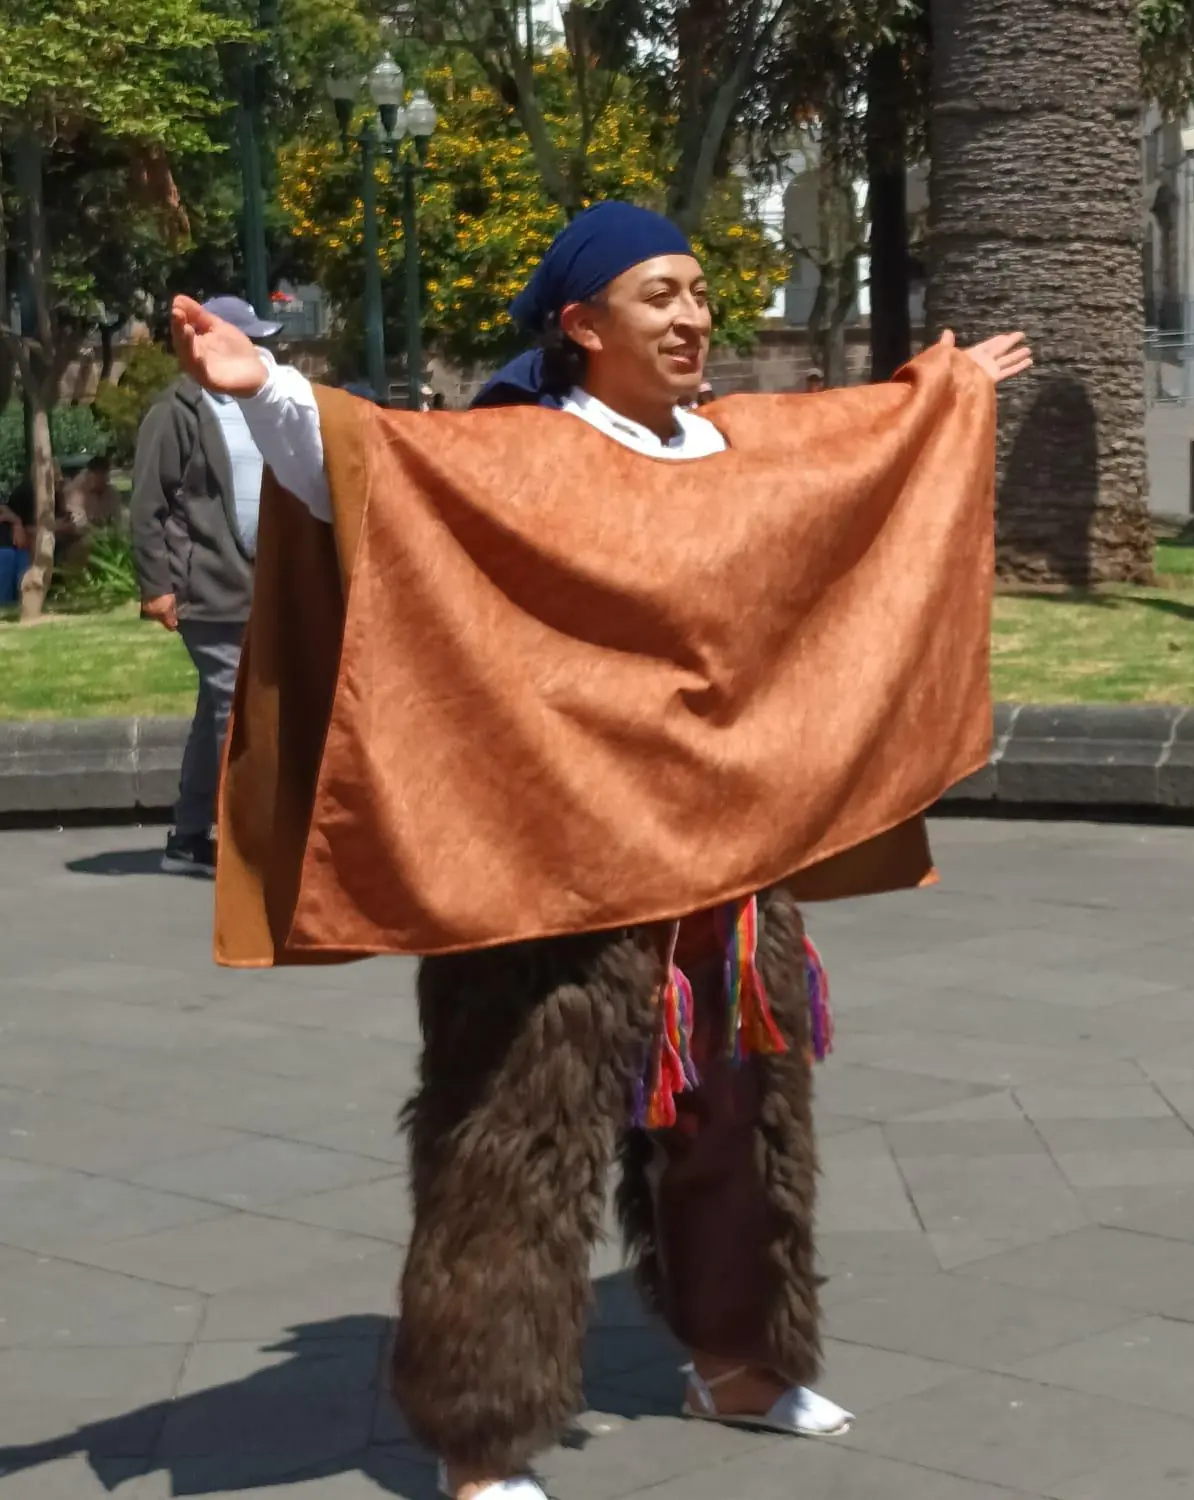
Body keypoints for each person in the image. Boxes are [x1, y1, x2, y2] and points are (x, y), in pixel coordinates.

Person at [171, 201, 1031, 1500]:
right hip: (543, 871)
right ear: (581, 325)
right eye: (659, 297)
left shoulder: (733, 445)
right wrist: (271, 389)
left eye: (697, 292)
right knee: (516, 1145)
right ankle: (480, 1439)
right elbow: (371, 466)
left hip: (723, 876)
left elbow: (857, 441)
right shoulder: (516, 455)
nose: (692, 317)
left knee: (738, 1124)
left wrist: (948, 392)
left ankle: (739, 1359)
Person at [132, 294, 283, 876]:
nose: (257, 348)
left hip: (255, 580)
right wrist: (157, 586)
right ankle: (248, 837)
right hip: (206, 583)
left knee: (214, 710)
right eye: (244, 336)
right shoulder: (175, 411)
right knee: (237, 707)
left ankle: (189, 836)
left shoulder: (258, 401)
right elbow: (147, 504)